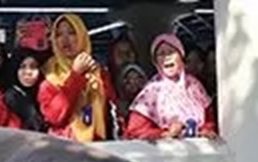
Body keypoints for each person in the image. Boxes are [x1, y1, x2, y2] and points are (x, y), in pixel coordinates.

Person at [124, 34, 218, 141]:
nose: (166, 57)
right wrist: (165, 134)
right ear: (155, 62)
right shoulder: (151, 92)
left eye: (171, 52)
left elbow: (209, 119)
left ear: (181, 56)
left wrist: (205, 131)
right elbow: (134, 131)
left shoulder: (194, 85)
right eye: (161, 54)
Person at [39, 13, 116, 142]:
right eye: (58, 35)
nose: (65, 39)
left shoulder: (99, 72)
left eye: (72, 32)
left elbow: (111, 112)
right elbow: (54, 116)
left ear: (82, 36)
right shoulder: (49, 75)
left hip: (97, 147)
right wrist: (75, 75)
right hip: (65, 149)